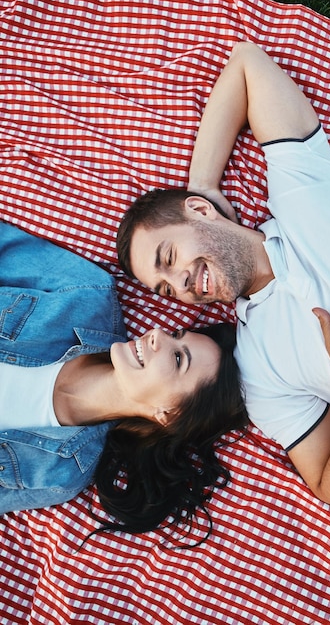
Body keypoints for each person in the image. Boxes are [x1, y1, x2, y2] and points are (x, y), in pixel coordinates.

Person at [116, 42, 330, 517]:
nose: (182, 283)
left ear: (199, 214)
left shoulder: (299, 186)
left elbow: (246, 63)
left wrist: (204, 185)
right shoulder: (260, 371)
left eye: (169, 256)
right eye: (166, 289)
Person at [0, 222, 248, 538]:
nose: (157, 335)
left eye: (177, 358)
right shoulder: (86, 296)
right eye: (175, 335)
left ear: (167, 415)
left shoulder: (61, 472)